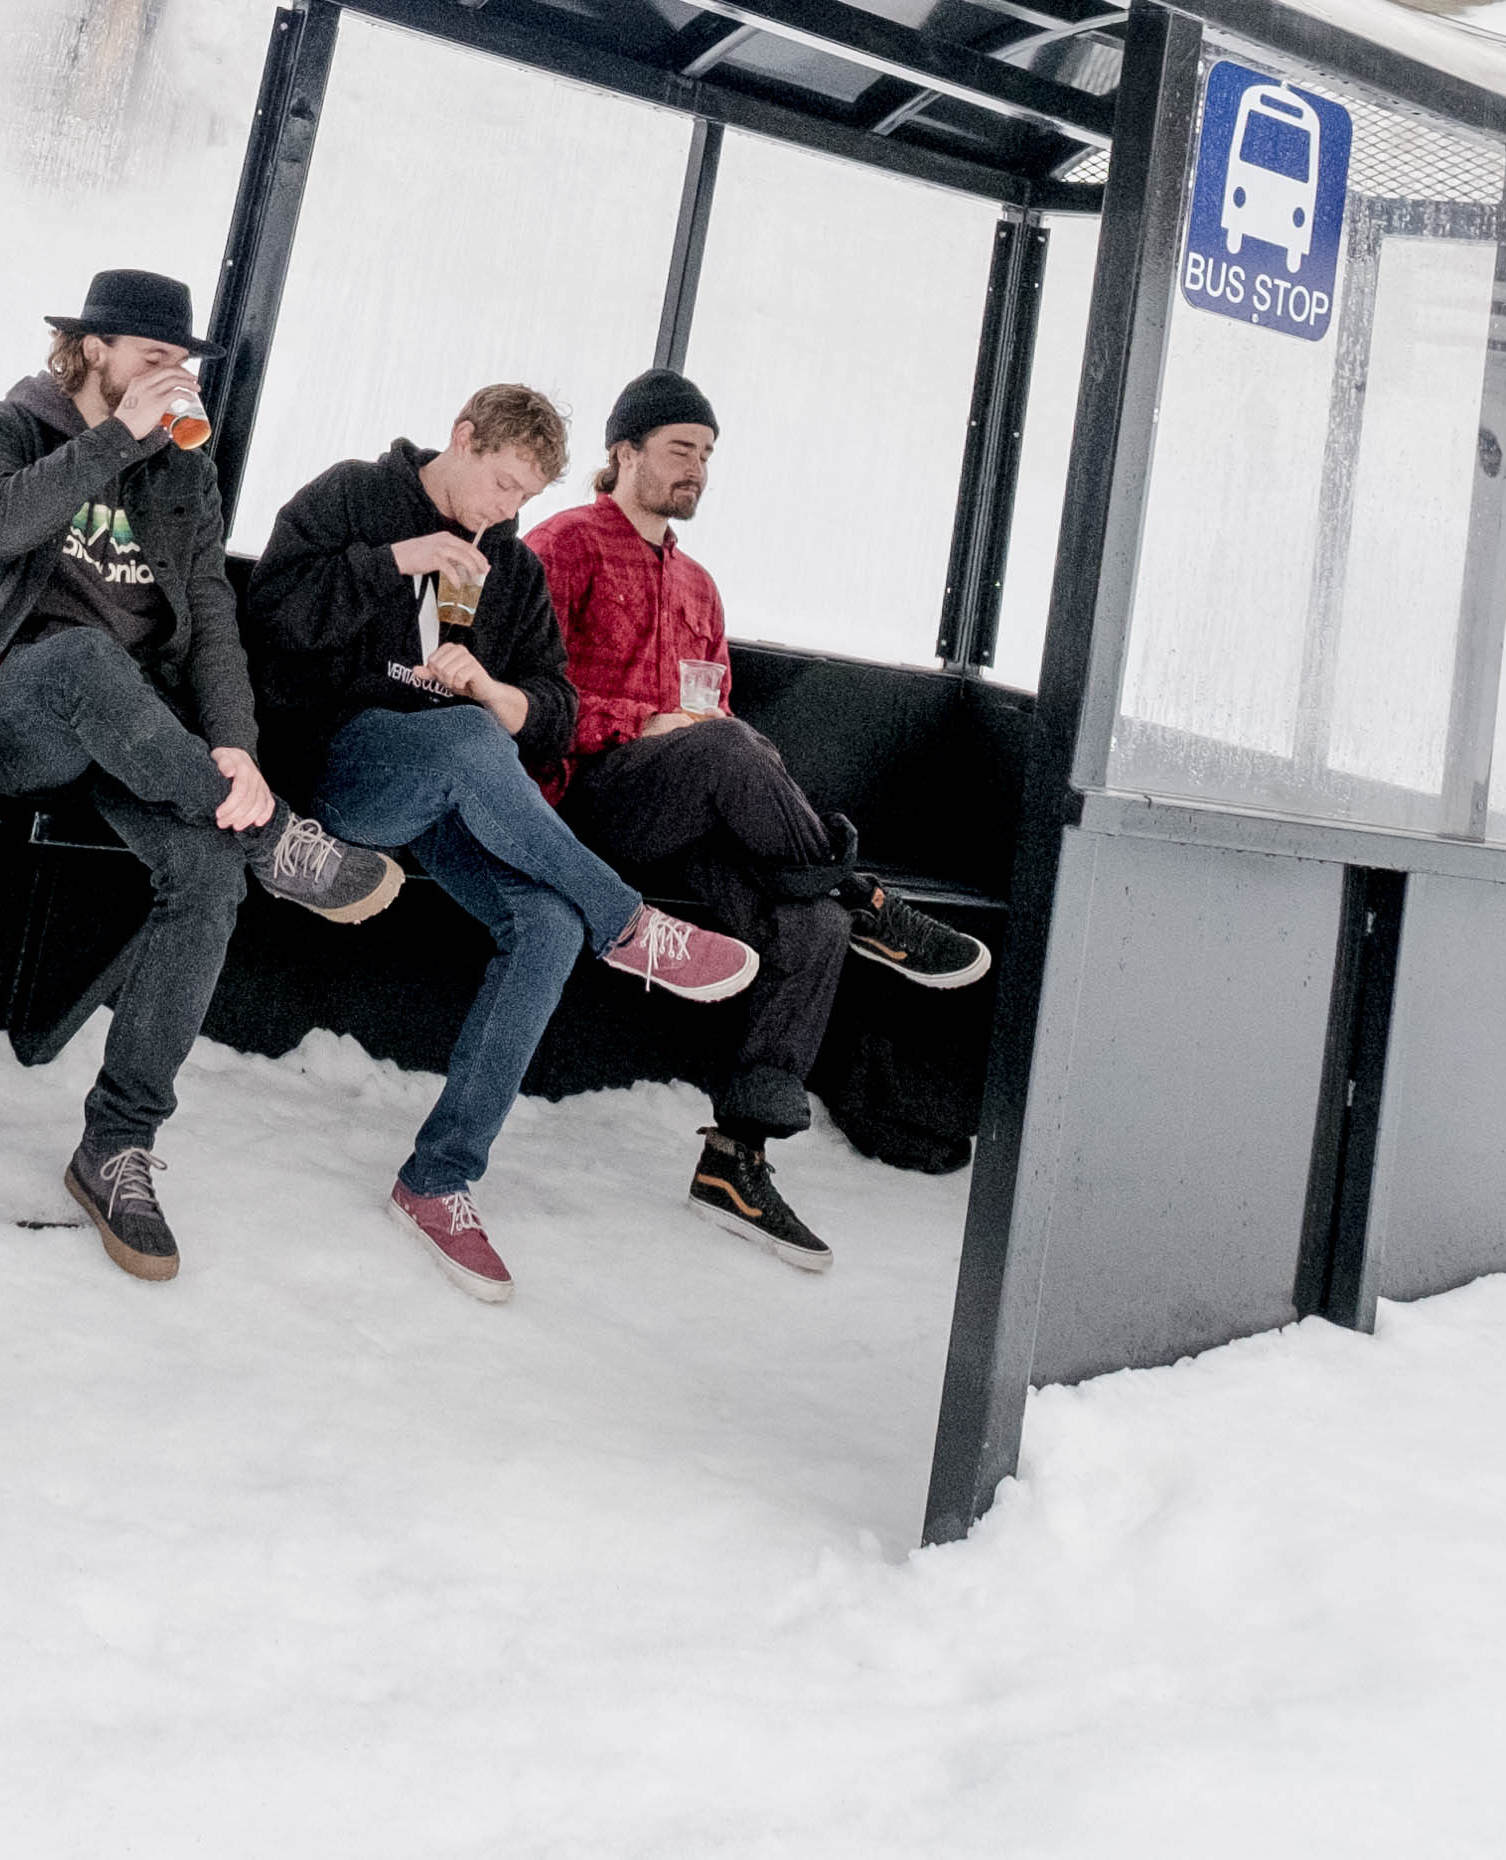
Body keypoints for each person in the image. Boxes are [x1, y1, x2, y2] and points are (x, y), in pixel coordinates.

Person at [0, 267, 404, 1286]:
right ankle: (278, 839)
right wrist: (117, 433)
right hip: (18, 712)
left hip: (141, 739)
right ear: (92, 349)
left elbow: (210, 616)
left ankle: (114, 1146)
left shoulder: (183, 474)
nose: (173, 377)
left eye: (182, 363)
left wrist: (237, 748)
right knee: (82, 661)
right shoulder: (6, 425)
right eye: (154, 358)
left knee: (206, 871)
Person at [243, 385, 763, 1305]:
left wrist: (493, 689)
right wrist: (393, 561)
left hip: (455, 788)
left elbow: (552, 713)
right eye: (500, 483)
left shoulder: (511, 567)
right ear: (463, 439)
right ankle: (631, 925)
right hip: (336, 770)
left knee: (547, 922)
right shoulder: (357, 496)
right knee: (470, 749)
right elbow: (269, 617)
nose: (505, 508)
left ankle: (439, 1178)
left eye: (526, 495)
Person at [526, 371, 989, 1275]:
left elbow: (717, 715)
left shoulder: (699, 586)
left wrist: (702, 740)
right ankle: (863, 895)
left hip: (691, 807)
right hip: (588, 799)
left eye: (706, 455)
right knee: (730, 748)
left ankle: (736, 1160)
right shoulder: (564, 545)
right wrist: (642, 723)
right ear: (623, 452)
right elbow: (530, 698)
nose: (696, 469)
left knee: (806, 921)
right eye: (678, 450)